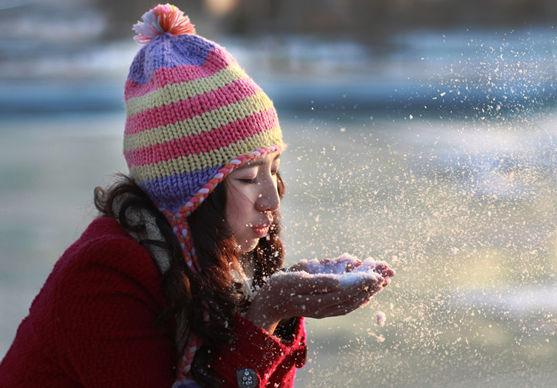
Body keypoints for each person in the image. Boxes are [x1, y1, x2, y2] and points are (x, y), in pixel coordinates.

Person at [0, 4, 394, 387]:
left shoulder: (216, 259)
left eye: (273, 170)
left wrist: (283, 312)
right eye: (246, 178)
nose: (271, 199)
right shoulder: (105, 275)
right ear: (190, 194)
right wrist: (267, 312)